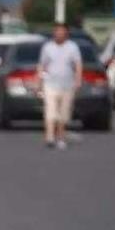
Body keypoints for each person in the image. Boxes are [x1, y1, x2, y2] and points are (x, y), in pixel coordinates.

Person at [38, 22, 82, 150]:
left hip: (67, 85)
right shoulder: (48, 47)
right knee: (50, 112)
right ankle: (50, 137)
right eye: (57, 31)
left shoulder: (72, 47)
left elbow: (78, 64)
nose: (59, 34)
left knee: (63, 114)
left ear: (66, 33)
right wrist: (39, 82)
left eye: (62, 31)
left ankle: (61, 137)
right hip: (50, 84)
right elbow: (42, 65)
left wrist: (78, 80)